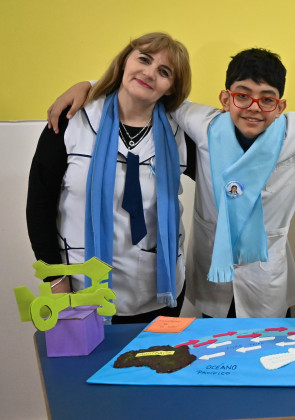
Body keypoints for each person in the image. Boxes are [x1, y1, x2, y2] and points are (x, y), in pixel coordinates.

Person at [46, 48, 295, 319]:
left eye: (267, 99)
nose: (254, 107)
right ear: (224, 97)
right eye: (243, 96)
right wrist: (86, 86)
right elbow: (151, 90)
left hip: (267, 280)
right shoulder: (200, 125)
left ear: (282, 106)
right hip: (210, 279)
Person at [27, 32, 192, 323]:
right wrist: (55, 279)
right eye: (143, 59)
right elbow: (39, 205)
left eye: (164, 72)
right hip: (80, 290)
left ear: (170, 89)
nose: (149, 73)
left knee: (155, 367)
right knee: (82, 369)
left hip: (159, 295)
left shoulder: (180, 133)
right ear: (125, 61)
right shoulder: (73, 120)